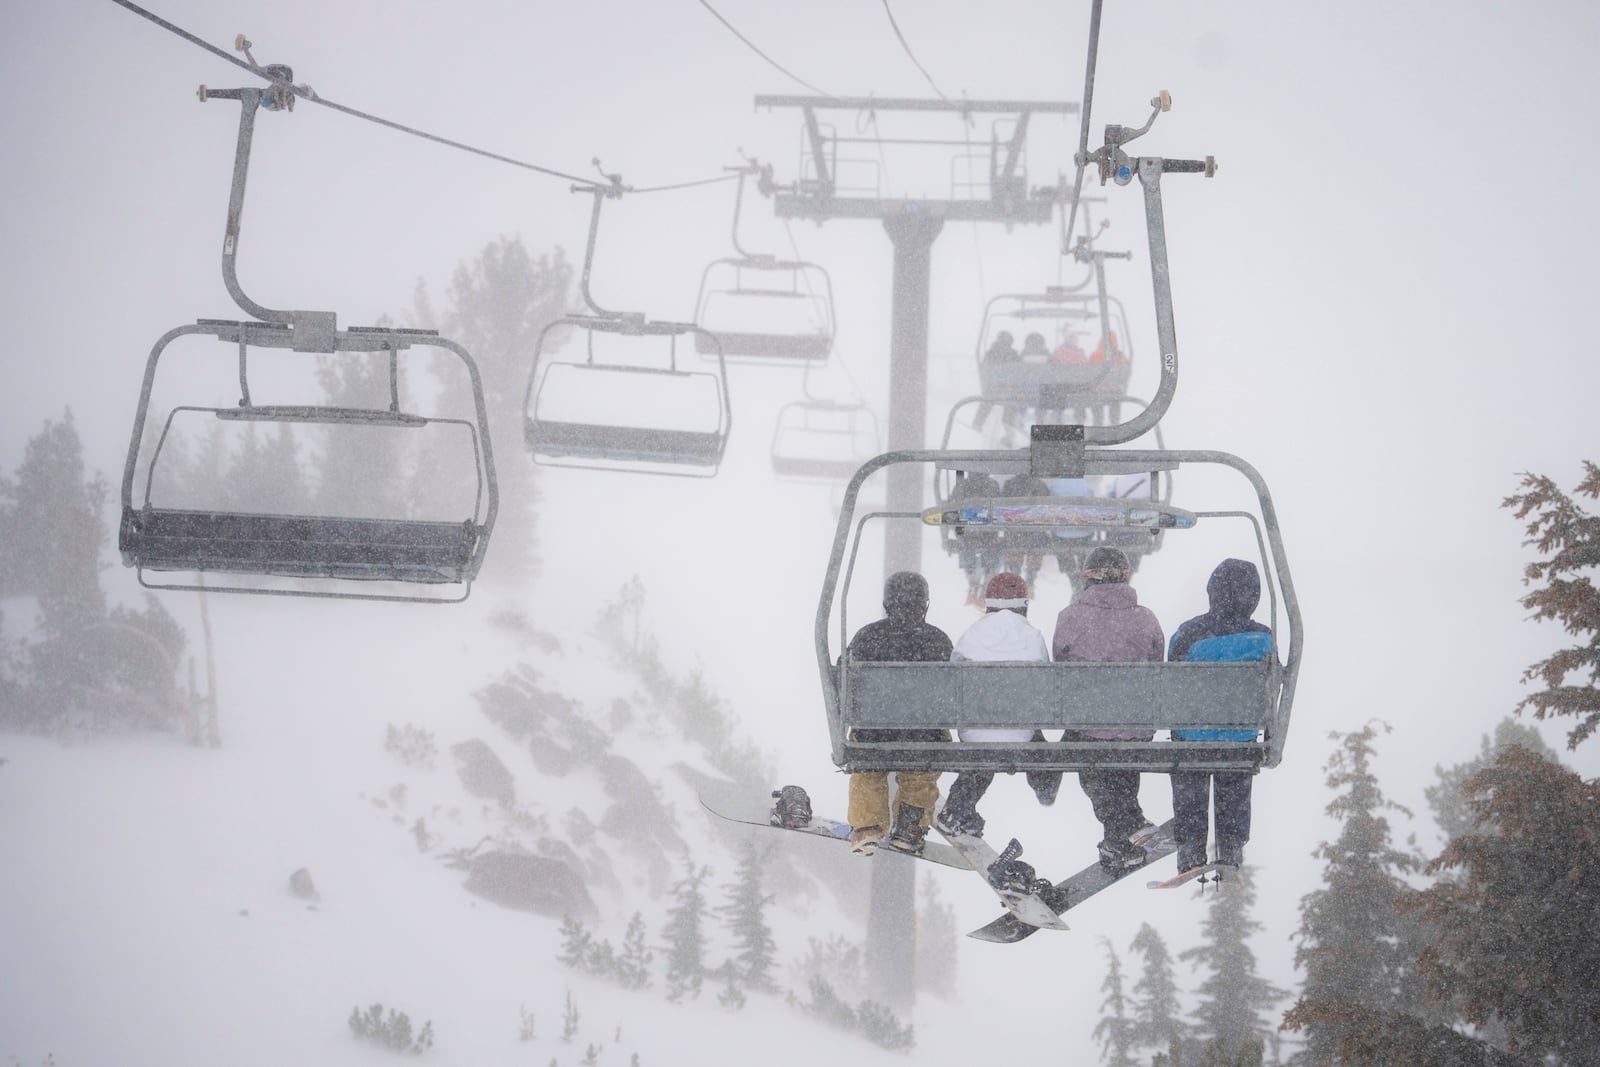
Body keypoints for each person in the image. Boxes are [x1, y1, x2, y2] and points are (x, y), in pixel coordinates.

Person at [1052, 546, 1165, 872]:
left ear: (1088, 577)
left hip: (1088, 724)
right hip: (1133, 726)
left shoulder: (1070, 617)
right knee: (1121, 771)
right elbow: (1158, 666)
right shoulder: (1145, 619)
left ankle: (1127, 827)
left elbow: (1060, 666)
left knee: (1093, 771)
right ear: (1126, 576)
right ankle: (1122, 838)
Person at [934, 572, 1061, 838]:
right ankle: (1045, 788)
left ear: (988, 604)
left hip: (975, 732)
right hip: (1021, 733)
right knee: (1033, 743)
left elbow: (950, 682)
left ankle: (958, 808)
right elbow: (1046, 686)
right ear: (1023, 604)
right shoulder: (1032, 636)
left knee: (985, 750)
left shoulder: (972, 635)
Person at [1167, 559, 1273, 872]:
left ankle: (1190, 846)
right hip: (1238, 736)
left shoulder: (1189, 633)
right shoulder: (1264, 637)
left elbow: (1168, 681)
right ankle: (1231, 843)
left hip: (1192, 738)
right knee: (1235, 777)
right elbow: (1271, 687)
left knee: (1189, 778)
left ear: (1212, 591)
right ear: (1253, 596)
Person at [843, 571, 955, 855]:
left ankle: (868, 826)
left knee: (868, 771)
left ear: (887, 603)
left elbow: (842, 682)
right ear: (924, 604)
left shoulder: (867, 636)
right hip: (922, 736)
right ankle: (909, 826)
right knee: (920, 772)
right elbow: (954, 693)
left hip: (872, 733)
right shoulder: (937, 641)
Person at [949, 471, 1003, 606]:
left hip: (967, 533)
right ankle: (987, 580)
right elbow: (1000, 508)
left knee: (966, 545)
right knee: (993, 546)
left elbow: (951, 507)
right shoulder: (992, 485)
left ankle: (973, 582)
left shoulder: (961, 486)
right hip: (989, 533)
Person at [972, 331, 1020, 435]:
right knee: (1012, 402)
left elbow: (985, 369)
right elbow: (1018, 371)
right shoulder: (1013, 354)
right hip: (1008, 389)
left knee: (986, 401)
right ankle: (1008, 429)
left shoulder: (991, 352)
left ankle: (977, 423)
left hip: (993, 388)